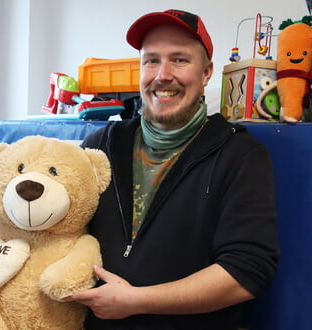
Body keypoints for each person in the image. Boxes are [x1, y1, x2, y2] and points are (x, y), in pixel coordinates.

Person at [71, 9, 280, 330]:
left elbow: (246, 272)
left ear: (207, 73)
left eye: (179, 60)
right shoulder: (102, 144)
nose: (162, 75)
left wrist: (136, 301)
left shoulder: (239, 155)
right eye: (151, 60)